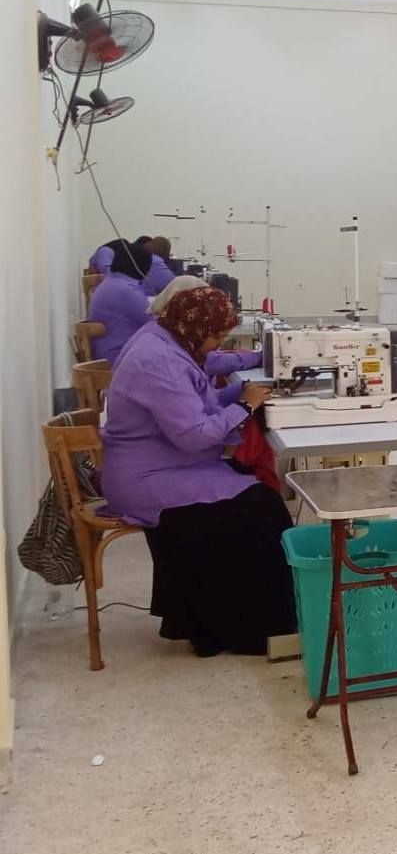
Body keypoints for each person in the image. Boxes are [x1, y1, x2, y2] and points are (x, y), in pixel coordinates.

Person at [100, 287, 294, 657]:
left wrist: (240, 393)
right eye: (217, 336)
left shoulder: (164, 339)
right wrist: (244, 407)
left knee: (257, 496)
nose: (218, 344)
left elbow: (192, 403)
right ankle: (252, 630)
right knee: (263, 509)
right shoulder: (158, 360)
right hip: (147, 479)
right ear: (196, 327)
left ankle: (220, 622)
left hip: (163, 463)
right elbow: (193, 435)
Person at [146, 276, 262, 404]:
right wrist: (246, 406)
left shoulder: (161, 331)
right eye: (219, 336)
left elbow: (204, 401)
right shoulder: (168, 358)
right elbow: (214, 362)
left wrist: (238, 391)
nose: (221, 343)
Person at [86, 239, 152, 366]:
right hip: (120, 358)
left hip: (108, 353)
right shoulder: (126, 291)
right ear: (142, 267)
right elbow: (155, 320)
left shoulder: (112, 282)